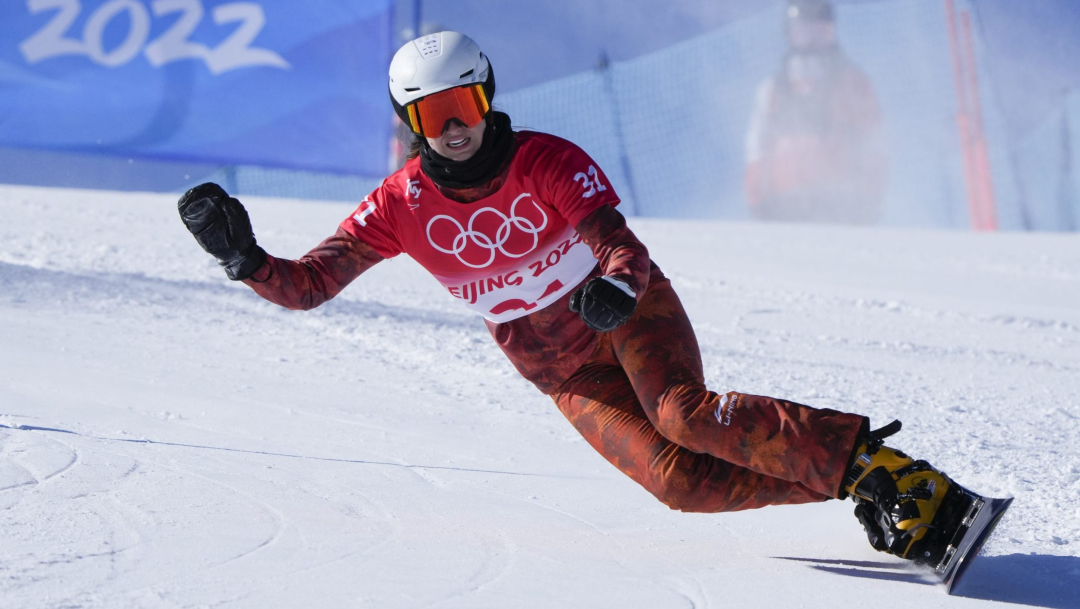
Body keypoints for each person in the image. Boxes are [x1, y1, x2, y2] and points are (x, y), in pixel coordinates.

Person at [179, 31, 963, 564]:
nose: (455, 129)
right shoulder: (398, 207)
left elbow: (621, 245)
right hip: (564, 373)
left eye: (466, 107)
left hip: (625, 316)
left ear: (487, 97)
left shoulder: (545, 160)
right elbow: (311, 285)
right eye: (433, 116)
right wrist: (245, 258)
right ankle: (868, 486)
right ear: (411, 125)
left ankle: (881, 468)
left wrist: (618, 287)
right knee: (679, 483)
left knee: (683, 414)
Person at [745, 0, 887, 224]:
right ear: (790, 33)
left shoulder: (853, 83)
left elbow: (875, 143)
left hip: (842, 204)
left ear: (832, 32)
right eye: (804, 31)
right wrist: (757, 200)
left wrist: (870, 198)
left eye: (820, 31)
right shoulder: (773, 89)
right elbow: (756, 150)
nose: (812, 40)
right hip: (783, 206)